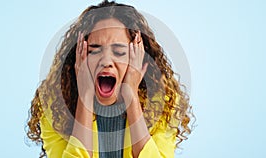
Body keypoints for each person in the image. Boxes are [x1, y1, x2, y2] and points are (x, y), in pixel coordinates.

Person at [27, 1, 194, 158]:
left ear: (137, 57)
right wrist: (84, 96)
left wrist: (131, 97)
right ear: (77, 57)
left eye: (119, 52)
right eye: (94, 50)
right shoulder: (53, 104)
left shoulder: (164, 102)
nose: (106, 61)